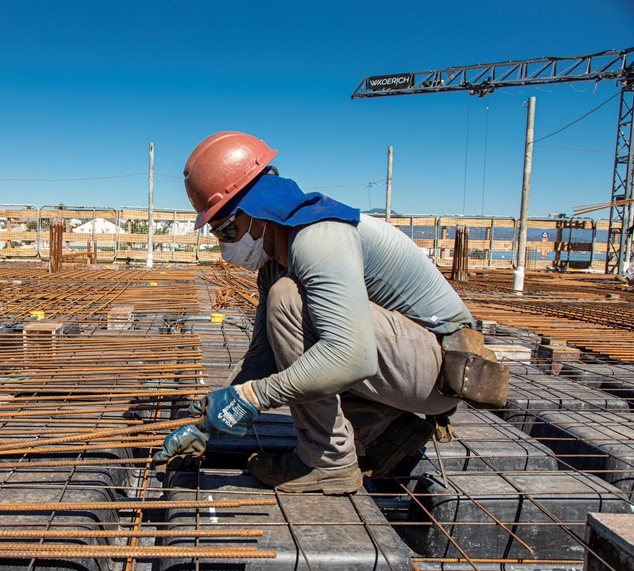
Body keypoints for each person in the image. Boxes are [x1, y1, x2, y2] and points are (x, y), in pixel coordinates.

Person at [153, 131, 506, 495]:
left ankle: (328, 460)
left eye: (228, 230)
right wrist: (209, 422)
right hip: (403, 365)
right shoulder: (275, 263)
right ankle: (384, 430)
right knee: (293, 329)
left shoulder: (320, 237)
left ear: (259, 209)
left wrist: (252, 398)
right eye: (218, 234)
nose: (226, 246)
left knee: (289, 301)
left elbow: (351, 356)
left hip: (441, 371)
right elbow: (263, 356)